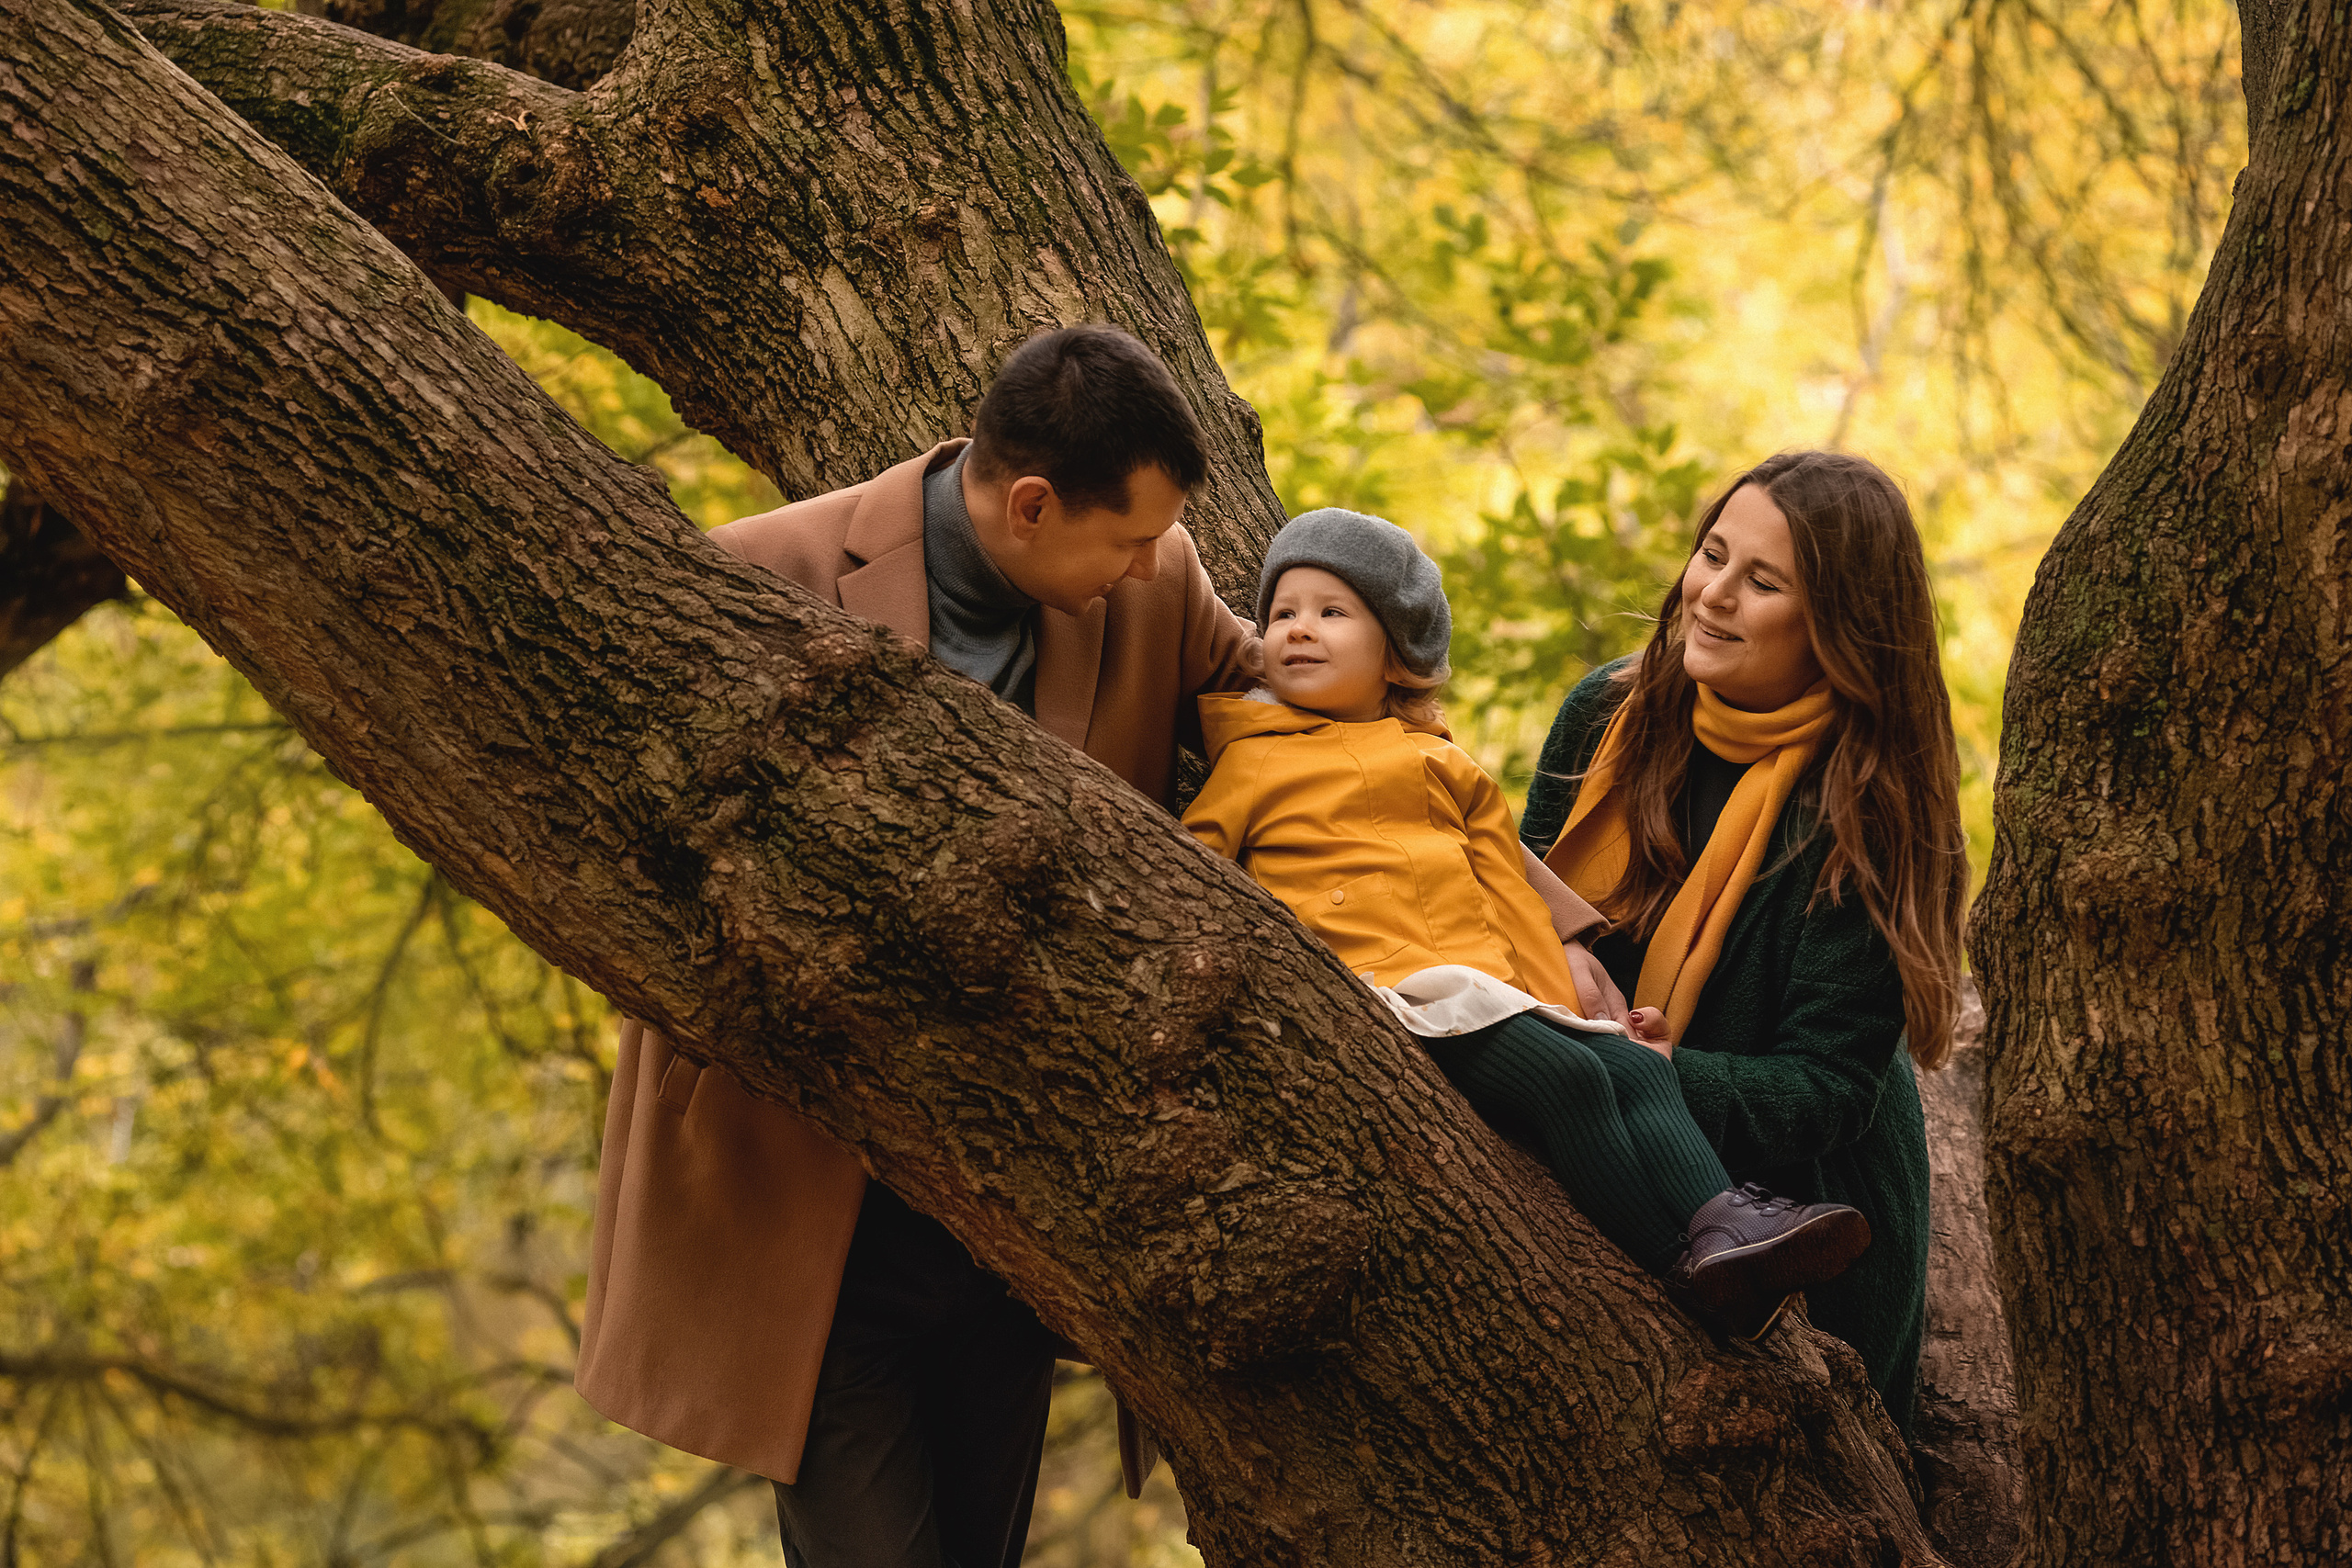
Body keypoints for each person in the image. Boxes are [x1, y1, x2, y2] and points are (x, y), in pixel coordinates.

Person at [575, 326, 1260, 1568]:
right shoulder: (750, 573)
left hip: (1016, 1223)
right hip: (806, 1223)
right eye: (1128, 537)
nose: (1153, 561)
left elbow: (1303, 737)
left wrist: (1538, 922)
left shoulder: (1160, 581)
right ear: (1035, 503)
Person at [1182, 507, 1873, 1335]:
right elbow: (1192, 867)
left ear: (1396, 655)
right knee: (1573, 1082)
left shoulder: (1443, 761)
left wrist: (1567, 1001)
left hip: (1479, 987)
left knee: (1639, 1068)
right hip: (1384, 991)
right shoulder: (1253, 757)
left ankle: (1725, 1221)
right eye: (1282, 613)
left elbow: (1511, 886)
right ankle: (1683, 1262)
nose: (1299, 629)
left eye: (1333, 613)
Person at [1519, 451, 1967, 1437]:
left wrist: (1662, 1068)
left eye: (1761, 583)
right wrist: (1562, 947)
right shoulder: (1609, 711)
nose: (1712, 595)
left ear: (1835, 628)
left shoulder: (1865, 812)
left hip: (1798, 1203)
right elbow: (1508, 886)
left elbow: (1830, 1091)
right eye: (1711, 556)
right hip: (1589, 1096)